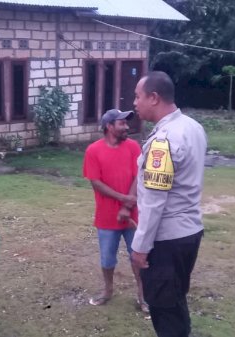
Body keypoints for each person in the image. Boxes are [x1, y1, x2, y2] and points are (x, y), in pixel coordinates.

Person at [130, 71, 207, 337]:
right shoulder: (192, 127)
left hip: (167, 239)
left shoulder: (163, 141)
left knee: (164, 309)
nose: (134, 103)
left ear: (154, 98)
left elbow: (153, 202)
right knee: (175, 300)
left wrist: (140, 247)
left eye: (138, 96)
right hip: (189, 232)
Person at [82, 109, 148, 313]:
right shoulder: (93, 151)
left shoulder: (133, 147)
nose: (127, 126)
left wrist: (127, 206)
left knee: (137, 256)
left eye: (126, 123)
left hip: (133, 215)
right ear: (109, 126)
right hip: (106, 216)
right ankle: (108, 290)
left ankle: (143, 296)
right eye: (122, 123)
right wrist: (122, 199)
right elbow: (96, 182)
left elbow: (139, 176)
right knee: (107, 259)